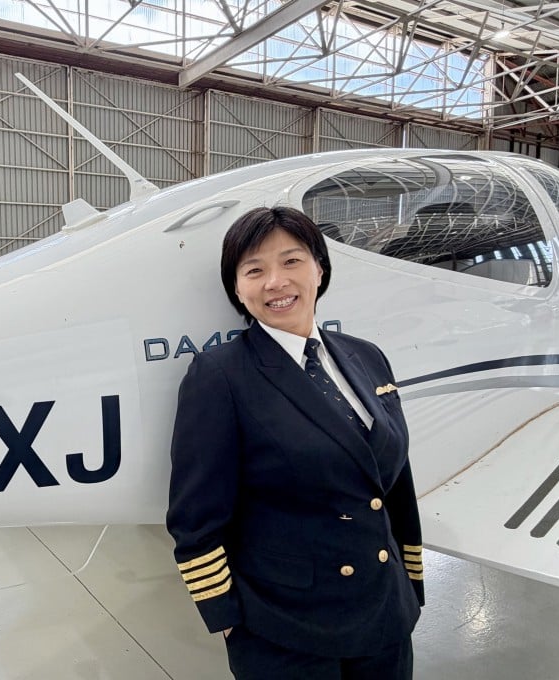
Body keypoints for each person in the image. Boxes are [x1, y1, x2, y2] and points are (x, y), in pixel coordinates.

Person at [166, 206, 424, 680]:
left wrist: (411, 583)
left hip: (384, 613)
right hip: (286, 629)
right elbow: (195, 517)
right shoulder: (219, 375)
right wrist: (227, 618)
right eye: (254, 270)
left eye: (291, 261)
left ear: (319, 269)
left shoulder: (368, 358)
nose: (275, 282)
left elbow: (396, 487)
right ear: (238, 290)